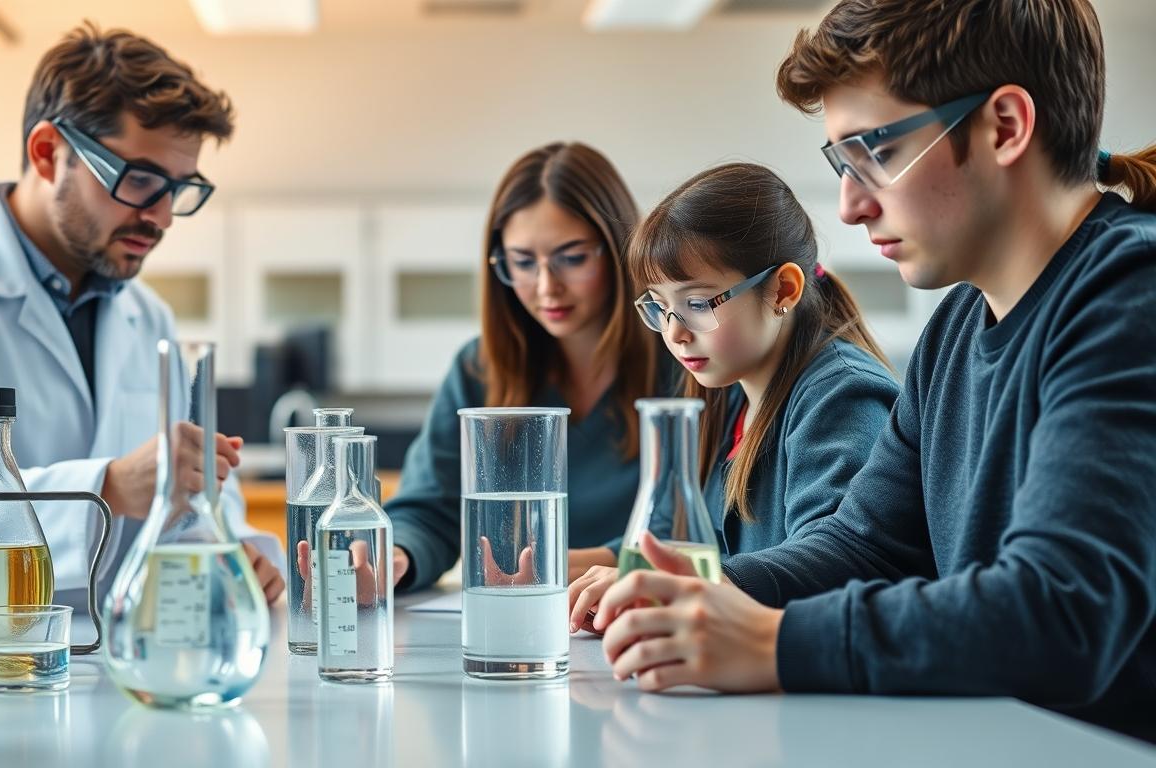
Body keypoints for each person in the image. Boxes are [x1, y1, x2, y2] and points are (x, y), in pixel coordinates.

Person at [595, 0, 1156, 743]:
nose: (851, 206)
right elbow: (868, 547)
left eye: (877, 153)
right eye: (842, 162)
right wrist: (701, 593)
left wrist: (769, 643)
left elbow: (1060, 610)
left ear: (1005, 127)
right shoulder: (957, 327)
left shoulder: (1128, 295)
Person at [0, 24, 285, 607]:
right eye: (141, 180)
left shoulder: (148, 317)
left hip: (111, 662)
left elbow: (191, 512)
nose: (163, 217)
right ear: (48, 153)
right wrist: (108, 488)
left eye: (179, 189)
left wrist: (237, 552)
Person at [567, 162, 898, 633]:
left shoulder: (841, 395)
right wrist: (581, 567)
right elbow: (672, 533)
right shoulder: (728, 390)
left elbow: (834, 558)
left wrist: (675, 580)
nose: (675, 333)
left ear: (782, 289)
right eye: (659, 307)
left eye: (697, 303)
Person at [386, 142, 672, 591]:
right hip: (512, 624)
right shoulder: (478, 368)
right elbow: (429, 509)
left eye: (572, 258)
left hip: (648, 619)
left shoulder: (687, 362)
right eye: (522, 262)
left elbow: (715, 524)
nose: (546, 287)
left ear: (619, 250)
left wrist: (601, 563)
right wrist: (396, 557)